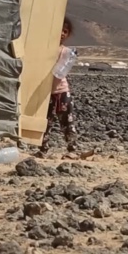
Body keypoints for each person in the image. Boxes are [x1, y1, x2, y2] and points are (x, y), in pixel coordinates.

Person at [39, 16, 77, 156]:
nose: (62, 33)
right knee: (45, 122)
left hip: (61, 91)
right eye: (60, 30)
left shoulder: (66, 52)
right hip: (45, 92)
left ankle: (72, 148)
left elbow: (60, 73)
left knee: (67, 121)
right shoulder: (45, 49)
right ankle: (42, 149)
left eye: (65, 31)